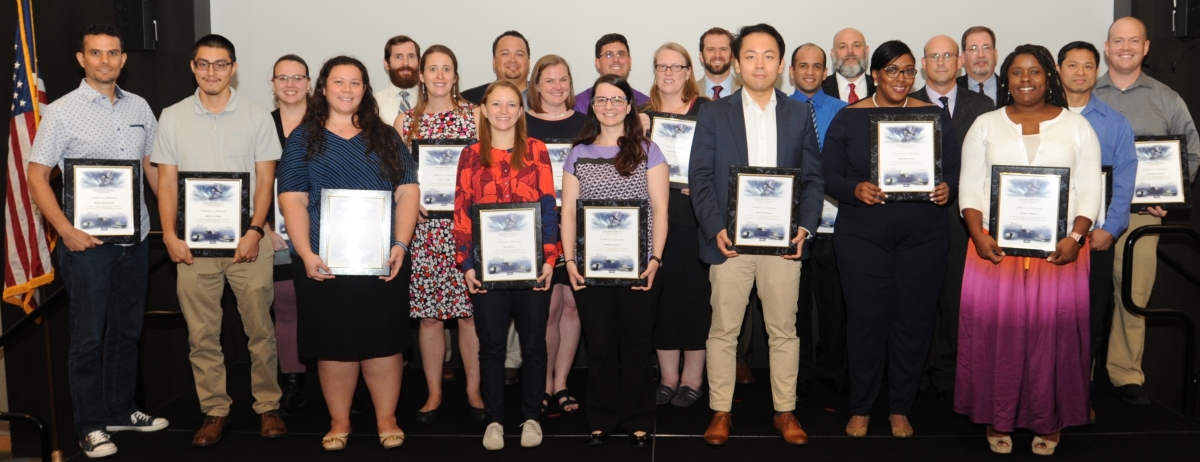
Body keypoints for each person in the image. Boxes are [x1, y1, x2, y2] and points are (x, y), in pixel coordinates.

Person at [26, 24, 168, 459]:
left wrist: (180, 219)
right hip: (87, 246)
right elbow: (36, 175)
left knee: (126, 331)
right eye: (96, 53)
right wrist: (65, 230)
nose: (105, 60)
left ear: (124, 59)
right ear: (81, 58)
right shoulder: (63, 111)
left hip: (136, 238)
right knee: (88, 337)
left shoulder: (141, 106)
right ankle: (89, 426)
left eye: (113, 53)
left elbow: (152, 168)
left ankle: (121, 410)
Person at [956, 44, 1102, 455]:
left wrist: (1075, 239)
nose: (1025, 80)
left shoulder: (1077, 127)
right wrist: (977, 234)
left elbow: (1090, 187)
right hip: (993, 251)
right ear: (1006, 79)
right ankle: (997, 417)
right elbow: (969, 185)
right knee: (995, 337)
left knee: (1051, 338)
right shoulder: (985, 124)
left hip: (1062, 252)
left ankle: (1049, 420)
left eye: (1034, 72)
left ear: (1048, 77)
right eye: (1017, 72)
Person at [690, 23, 823, 446]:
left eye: (768, 55)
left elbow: (814, 180)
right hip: (729, 244)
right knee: (723, 330)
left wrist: (803, 228)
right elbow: (701, 177)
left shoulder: (800, 113)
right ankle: (720, 411)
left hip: (783, 245)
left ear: (781, 64)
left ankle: (785, 411)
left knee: (783, 330)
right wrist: (715, 229)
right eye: (750, 55)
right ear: (735, 62)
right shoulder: (713, 112)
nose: (759, 63)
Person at [151, 34, 287, 447]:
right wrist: (170, 237)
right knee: (202, 334)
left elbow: (266, 179)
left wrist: (254, 230)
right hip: (192, 249)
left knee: (260, 330)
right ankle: (215, 410)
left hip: (249, 244)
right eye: (204, 64)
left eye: (221, 64)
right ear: (193, 66)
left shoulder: (257, 116)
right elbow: (167, 183)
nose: (212, 71)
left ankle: (268, 407)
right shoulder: (172, 116)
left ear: (234, 68)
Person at [277, 55, 418, 452]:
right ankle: (339, 420)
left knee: (384, 342)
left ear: (365, 90)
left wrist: (400, 245)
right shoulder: (303, 138)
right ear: (323, 88)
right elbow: (293, 199)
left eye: (355, 83)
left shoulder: (386, 135)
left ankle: (386, 418)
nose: (347, 89)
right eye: (339, 82)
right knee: (333, 344)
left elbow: (408, 190)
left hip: (381, 259)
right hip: (323, 260)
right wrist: (304, 253)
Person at [822, 40, 960, 438]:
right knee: (866, 321)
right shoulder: (849, 117)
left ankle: (900, 407)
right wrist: (854, 189)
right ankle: (862, 407)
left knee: (913, 322)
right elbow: (827, 173)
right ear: (876, 75)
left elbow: (954, 166)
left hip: (924, 237)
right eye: (892, 71)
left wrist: (947, 187)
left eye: (908, 71)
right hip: (863, 236)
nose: (901, 79)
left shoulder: (933, 116)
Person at [1095, 17, 1200, 407]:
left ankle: (1124, 374)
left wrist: (1171, 195)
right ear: (1106, 47)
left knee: (1132, 293)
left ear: (1146, 47)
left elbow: (1191, 151)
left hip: (1142, 215)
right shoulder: (1087, 94)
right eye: (1118, 41)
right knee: (1081, 295)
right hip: (1090, 214)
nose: (1125, 47)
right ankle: (1078, 371)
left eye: (1133, 41)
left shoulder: (1167, 98)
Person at [561, 74, 668, 449]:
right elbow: (570, 214)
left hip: (639, 266)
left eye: (616, 99)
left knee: (637, 345)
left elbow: (660, 210)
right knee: (602, 346)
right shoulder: (578, 153)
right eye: (601, 99)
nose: (609, 106)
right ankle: (602, 418)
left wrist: (655, 258)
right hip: (590, 268)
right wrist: (570, 262)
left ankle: (639, 419)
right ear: (592, 106)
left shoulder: (649, 151)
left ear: (628, 105)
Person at [454, 81, 560, 450]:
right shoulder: (470, 155)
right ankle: (495, 420)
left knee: (533, 345)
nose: (503, 111)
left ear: (521, 110)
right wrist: (466, 264)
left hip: (532, 268)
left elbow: (549, 207)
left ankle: (531, 417)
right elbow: (462, 213)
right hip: (486, 269)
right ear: (483, 109)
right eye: (496, 104)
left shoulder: (537, 150)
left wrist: (549, 258)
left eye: (511, 104)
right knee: (492, 347)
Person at [394, 44, 486, 422]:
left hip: (467, 228)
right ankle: (433, 393)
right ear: (421, 75)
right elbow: (398, 177)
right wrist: (410, 201)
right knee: (430, 317)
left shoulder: (474, 115)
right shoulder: (407, 122)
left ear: (455, 75)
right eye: (432, 69)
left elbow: (487, 169)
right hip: (427, 232)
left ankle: (474, 390)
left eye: (446, 69)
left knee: (469, 315)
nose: (439, 76)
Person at [909, 35, 994, 404]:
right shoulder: (906, 101)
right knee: (917, 300)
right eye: (933, 56)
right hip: (916, 219)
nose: (941, 62)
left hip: (963, 220)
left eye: (947, 55)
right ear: (923, 63)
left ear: (959, 61)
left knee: (958, 300)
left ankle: (949, 374)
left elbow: (988, 163)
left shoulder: (983, 104)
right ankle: (918, 370)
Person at [1057, 41, 1137, 421]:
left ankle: (1079, 396)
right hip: (1049, 241)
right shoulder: (1042, 116)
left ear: (1097, 70)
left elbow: (1124, 181)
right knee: (1047, 320)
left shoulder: (1115, 123)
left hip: (1095, 241)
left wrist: (1112, 227)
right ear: (1058, 70)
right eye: (1072, 65)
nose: (1080, 73)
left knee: (1089, 323)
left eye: (1088, 66)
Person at [636, 42, 712, 408]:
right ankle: (667, 377)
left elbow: (723, 161)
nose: (668, 73)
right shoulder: (641, 116)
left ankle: (693, 378)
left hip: (695, 219)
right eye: (661, 67)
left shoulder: (708, 112)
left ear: (688, 72)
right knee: (661, 298)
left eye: (676, 66)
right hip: (654, 220)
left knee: (695, 299)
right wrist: (636, 136)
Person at [788, 42, 850, 400]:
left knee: (834, 303)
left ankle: (832, 369)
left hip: (836, 222)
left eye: (817, 66)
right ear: (792, 71)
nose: (810, 72)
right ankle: (801, 371)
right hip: (792, 222)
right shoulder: (779, 109)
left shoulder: (844, 111)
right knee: (795, 306)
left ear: (825, 71)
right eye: (803, 66)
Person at [524, 54, 586, 413]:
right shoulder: (522, 123)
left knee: (574, 308)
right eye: (549, 80)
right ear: (536, 85)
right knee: (547, 310)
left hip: (578, 228)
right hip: (539, 228)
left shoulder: (585, 123)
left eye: (563, 79)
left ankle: (562, 383)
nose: (558, 86)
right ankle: (543, 382)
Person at [267, 54, 311, 416]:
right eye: (283, 77)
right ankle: (293, 382)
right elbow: (250, 183)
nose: (291, 84)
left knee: (329, 305)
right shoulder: (260, 125)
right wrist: (262, 228)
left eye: (298, 77)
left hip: (326, 235)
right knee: (286, 305)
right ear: (273, 84)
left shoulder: (329, 123)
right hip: (275, 233)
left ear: (310, 83)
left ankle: (339, 380)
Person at [573, 34, 650, 113]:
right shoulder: (578, 105)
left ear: (630, 61)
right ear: (597, 63)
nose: (616, 60)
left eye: (621, 54)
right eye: (609, 54)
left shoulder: (646, 104)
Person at [461, 31, 530, 105]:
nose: (513, 60)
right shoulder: (468, 100)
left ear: (529, 62)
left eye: (519, 54)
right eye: (505, 54)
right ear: (494, 61)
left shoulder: (543, 97)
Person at [375, 35, 420, 135]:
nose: (405, 63)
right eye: (398, 57)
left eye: (411, 56)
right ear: (387, 63)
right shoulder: (373, 103)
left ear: (419, 62)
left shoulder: (431, 101)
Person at [822, 28, 875, 103]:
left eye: (856, 45)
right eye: (843, 46)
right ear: (833, 53)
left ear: (867, 50)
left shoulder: (881, 88)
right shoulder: (819, 89)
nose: (850, 51)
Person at [958, 26, 1000, 104]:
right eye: (973, 49)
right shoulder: (953, 89)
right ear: (963, 57)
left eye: (986, 48)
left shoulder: (1011, 88)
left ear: (995, 54)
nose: (981, 55)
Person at [696, 27, 741, 100]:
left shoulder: (746, 91)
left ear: (732, 56)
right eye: (711, 49)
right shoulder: (688, 92)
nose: (717, 55)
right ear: (701, 57)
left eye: (723, 49)